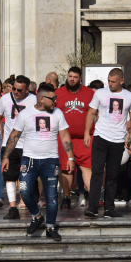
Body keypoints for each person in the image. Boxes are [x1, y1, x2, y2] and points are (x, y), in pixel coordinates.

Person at [2, 84, 74, 241]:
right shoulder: (26, 114)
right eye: (52, 98)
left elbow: (65, 136)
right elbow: (14, 136)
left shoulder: (58, 113)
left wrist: (70, 157)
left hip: (50, 160)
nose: (55, 101)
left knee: (52, 196)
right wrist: (6, 156)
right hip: (29, 159)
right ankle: (37, 216)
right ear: (41, 99)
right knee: (25, 191)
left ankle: (51, 227)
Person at [84, 68, 131, 218]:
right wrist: (87, 133)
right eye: (108, 80)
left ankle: (109, 208)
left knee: (112, 175)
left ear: (121, 81)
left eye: (113, 81)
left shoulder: (129, 96)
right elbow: (91, 112)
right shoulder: (100, 93)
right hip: (101, 137)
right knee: (97, 172)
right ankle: (93, 207)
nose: (110, 84)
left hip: (118, 139)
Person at [0, 75, 37, 219]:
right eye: (14, 89)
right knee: (9, 176)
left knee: (27, 176)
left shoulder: (34, 100)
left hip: (29, 143)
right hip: (9, 144)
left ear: (27, 90)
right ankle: (12, 208)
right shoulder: (5, 99)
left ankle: (30, 204)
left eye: (19, 90)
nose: (15, 92)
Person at [55, 66, 95, 210]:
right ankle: (66, 198)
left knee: (87, 168)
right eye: (70, 76)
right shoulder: (58, 93)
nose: (72, 79)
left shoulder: (89, 93)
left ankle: (94, 198)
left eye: (75, 77)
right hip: (65, 138)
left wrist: (88, 132)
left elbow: (95, 112)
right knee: (66, 169)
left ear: (80, 78)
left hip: (85, 138)